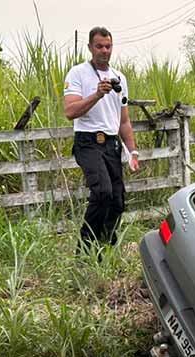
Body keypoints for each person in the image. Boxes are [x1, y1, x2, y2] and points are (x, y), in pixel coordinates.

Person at [63, 26, 139, 254]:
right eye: (99, 46)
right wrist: (97, 94)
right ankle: (84, 250)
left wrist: (132, 152)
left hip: (112, 143)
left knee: (117, 201)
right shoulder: (77, 73)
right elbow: (70, 111)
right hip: (88, 141)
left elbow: (123, 121)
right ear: (90, 47)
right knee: (102, 192)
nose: (104, 51)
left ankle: (103, 248)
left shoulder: (119, 78)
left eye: (108, 46)